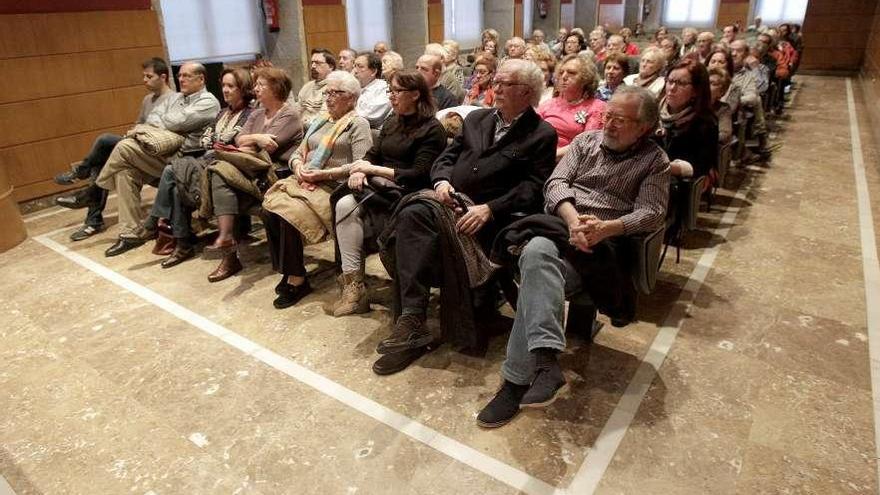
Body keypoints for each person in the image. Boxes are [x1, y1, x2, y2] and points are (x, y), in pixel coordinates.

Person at [477, 86, 669, 428]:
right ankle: (545, 363)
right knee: (536, 251)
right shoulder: (585, 143)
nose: (608, 124)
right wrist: (572, 221)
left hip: (602, 245)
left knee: (535, 268)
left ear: (643, 127)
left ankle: (517, 380)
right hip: (562, 227)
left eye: (620, 120)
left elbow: (652, 212)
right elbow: (555, 183)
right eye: (607, 115)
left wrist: (608, 227)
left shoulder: (654, 160)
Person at [372, 59, 557, 376]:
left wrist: (490, 209)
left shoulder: (541, 134)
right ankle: (413, 320)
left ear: (526, 92)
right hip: (449, 202)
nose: (495, 88)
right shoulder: (478, 119)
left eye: (504, 83)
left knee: (413, 215)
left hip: (490, 218)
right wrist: (442, 181)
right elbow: (447, 157)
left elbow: (534, 188)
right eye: (495, 82)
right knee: (414, 211)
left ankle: (412, 318)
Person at [329, 71, 447, 316]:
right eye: (389, 91)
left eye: (396, 91)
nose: (391, 96)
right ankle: (355, 288)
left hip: (410, 193)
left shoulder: (432, 128)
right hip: (381, 187)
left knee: (350, 207)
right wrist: (361, 170)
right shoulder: (393, 120)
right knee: (343, 204)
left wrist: (371, 169)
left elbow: (419, 173)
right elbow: (374, 152)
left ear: (415, 94)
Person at [261, 71, 372, 308]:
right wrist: (298, 166)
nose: (329, 97)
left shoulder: (358, 125)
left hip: (334, 187)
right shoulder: (320, 121)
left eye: (336, 93)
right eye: (327, 92)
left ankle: (297, 280)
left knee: (287, 214)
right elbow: (296, 154)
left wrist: (322, 174)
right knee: (269, 210)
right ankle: (290, 270)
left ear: (351, 98)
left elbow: (362, 165)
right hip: (306, 180)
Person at [96, 62, 220, 257]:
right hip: (165, 155)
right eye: (180, 75)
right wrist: (169, 122)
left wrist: (168, 121)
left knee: (124, 146)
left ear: (201, 79)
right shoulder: (177, 98)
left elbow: (178, 121)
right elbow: (153, 118)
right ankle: (130, 232)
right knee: (125, 171)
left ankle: (96, 190)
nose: (181, 79)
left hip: (187, 160)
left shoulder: (208, 101)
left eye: (187, 76)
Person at [199, 67, 304, 282]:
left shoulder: (290, 115)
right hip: (250, 172)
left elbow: (269, 149)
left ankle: (227, 249)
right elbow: (239, 141)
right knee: (220, 175)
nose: (255, 89)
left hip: (274, 177)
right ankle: (228, 245)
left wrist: (250, 141)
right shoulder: (256, 113)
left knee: (218, 171)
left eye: (261, 85)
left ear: (276, 87)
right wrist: (256, 138)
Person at [54, 57, 174, 242]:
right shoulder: (147, 100)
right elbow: (138, 125)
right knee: (103, 159)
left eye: (149, 76)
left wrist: (137, 134)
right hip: (138, 145)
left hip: (156, 152)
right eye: (143, 76)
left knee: (105, 140)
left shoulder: (174, 100)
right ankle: (93, 218)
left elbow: (166, 133)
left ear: (163, 77)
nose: (144, 80)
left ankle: (83, 180)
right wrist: (134, 134)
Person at [146, 68, 256, 267]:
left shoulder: (250, 114)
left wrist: (216, 142)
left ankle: (160, 228)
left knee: (173, 172)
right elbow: (207, 138)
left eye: (231, 86)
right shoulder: (223, 112)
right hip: (208, 160)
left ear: (243, 89)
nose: (225, 90)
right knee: (176, 183)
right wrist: (215, 142)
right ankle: (181, 242)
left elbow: (232, 142)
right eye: (223, 85)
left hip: (227, 167)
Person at [656, 59, 718, 181]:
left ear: (696, 90)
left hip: (677, 181)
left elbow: (702, 166)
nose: (672, 88)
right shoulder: (652, 110)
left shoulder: (705, 122)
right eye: (670, 81)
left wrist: (670, 167)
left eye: (681, 83)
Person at [538, 54, 606, 161]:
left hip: (567, 163)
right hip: (538, 157)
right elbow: (529, 133)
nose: (564, 76)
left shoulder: (596, 107)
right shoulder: (548, 104)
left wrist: (548, 157)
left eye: (572, 73)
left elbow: (586, 145)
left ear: (586, 79)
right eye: (561, 72)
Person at [293, 48, 336, 127]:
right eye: (312, 62)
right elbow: (297, 110)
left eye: (318, 63)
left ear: (330, 67)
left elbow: (323, 118)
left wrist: (299, 123)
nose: (313, 66)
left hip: (320, 131)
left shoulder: (334, 88)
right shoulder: (307, 86)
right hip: (301, 128)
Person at [352, 52, 391, 129]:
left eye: (360, 67)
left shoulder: (384, 88)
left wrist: (346, 115)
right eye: (354, 66)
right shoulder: (354, 88)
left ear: (373, 71)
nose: (355, 71)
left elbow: (371, 116)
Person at [709, 67, 734, 145]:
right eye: (705, 82)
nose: (706, 86)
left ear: (721, 92)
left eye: (712, 83)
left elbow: (725, 134)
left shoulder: (723, 109)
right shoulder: (689, 102)